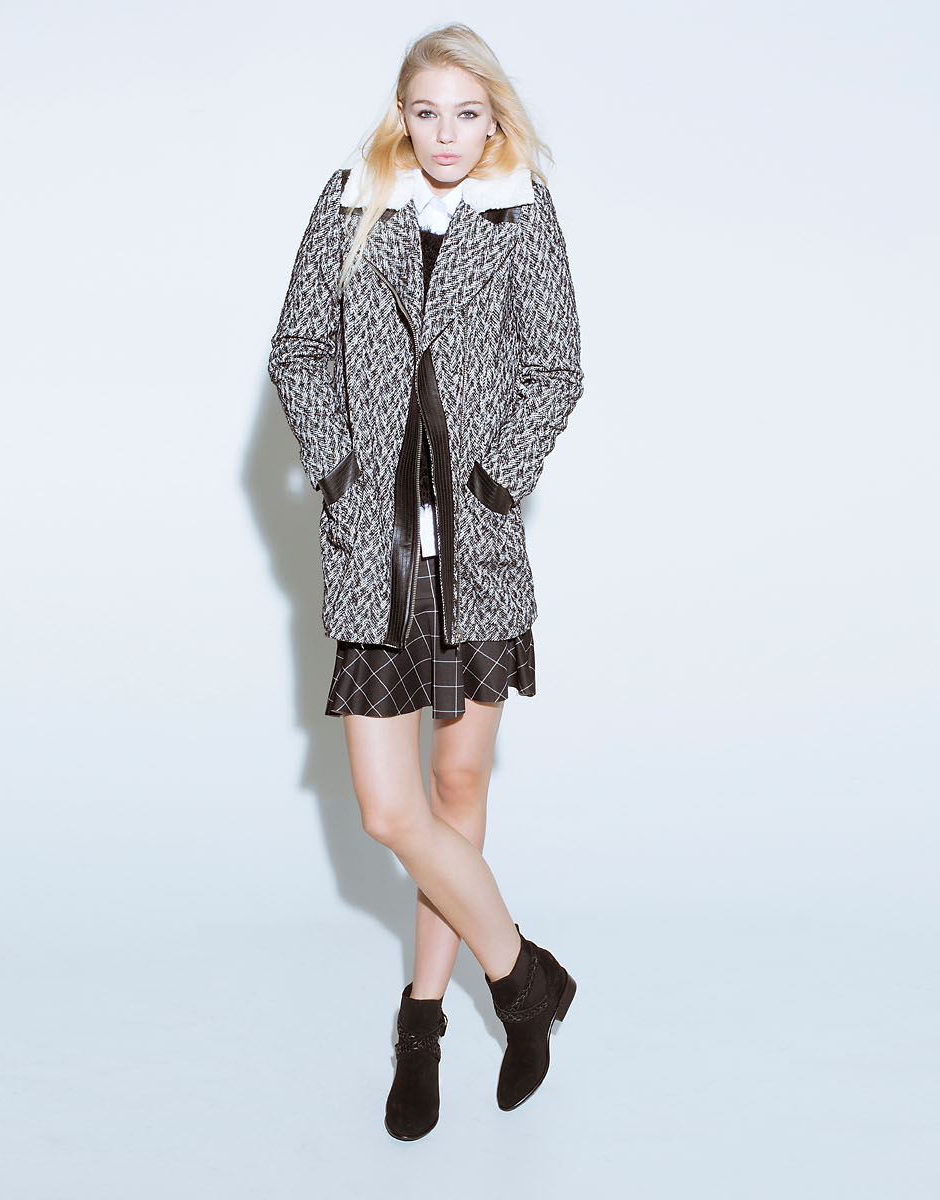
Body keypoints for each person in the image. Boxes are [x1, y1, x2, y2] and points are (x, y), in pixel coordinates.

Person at [268, 22, 583, 1141]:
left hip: (478, 556)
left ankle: (422, 1022)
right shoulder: (351, 203)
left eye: (468, 113)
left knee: (456, 791)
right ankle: (521, 976)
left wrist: (497, 476)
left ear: (494, 119)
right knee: (388, 810)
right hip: (374, 554)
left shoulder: (523, 214)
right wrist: (341, 469)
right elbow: (298, 349)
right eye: (427, 112)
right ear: (401, 114)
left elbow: (556, 367)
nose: (447, 134)